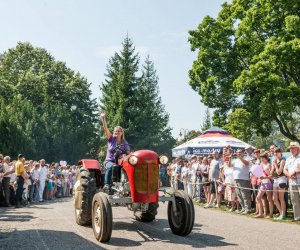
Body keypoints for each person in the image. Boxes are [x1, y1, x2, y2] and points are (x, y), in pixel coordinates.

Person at [100, 112, 130, 191]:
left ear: (121, 133)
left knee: (127, 169)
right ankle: (106, 184)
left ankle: (126, 187)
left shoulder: (124, 142)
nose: (116, 132)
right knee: (112, 167)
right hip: (109, 161)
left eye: (118, 131)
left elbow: (128, 153)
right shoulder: (111, 139)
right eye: (115, 131)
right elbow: (105, 129)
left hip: (120, 162)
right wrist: (103, 118)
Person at [230, 149, 252, 214]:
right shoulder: (235, 160)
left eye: (240, 152)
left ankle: (248, 208)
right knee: (239, 195)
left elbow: (246, 163)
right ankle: (243, 207)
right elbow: (229, 165)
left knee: (245, 195)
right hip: (236, 179)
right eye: (237, 152)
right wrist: (230, 158)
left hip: (244, 180)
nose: (238, 153)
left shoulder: (247, 158)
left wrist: (240, 158)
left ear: (243, 153)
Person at [284, 141, 300, 221]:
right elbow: (284, 170)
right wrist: (289, 175)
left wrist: (295, 172)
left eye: (293, 148)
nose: (291, 150)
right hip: (292, 182)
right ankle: (297, 217)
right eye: (290, 148)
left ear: (298, 149)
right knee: (294, 200)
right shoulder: (288, 159)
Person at [255, 152, 274, 218]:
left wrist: (264, 177)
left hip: (268, 183)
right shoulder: (261, 165)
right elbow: (259, 173)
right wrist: (259, 178)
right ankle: (261, 213)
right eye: (261, 158)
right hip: (263, 183)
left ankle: (271, 214)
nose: (262, 159)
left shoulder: (269, 165)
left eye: (263, 158)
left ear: (266, 158)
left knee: (269, 199)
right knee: (258, 197)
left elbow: (271, 176)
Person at [271, 147, 287, 220]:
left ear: (281, 152)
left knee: (281, 198)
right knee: (274, 198)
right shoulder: (274, 160)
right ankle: (281, 213)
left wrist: (274, 165)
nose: (276, 153)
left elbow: (279, 172)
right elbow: (271, 172)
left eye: (277, 152)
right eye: (275, 152)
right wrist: (273, 165)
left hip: (282, 179)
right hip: (275, 179)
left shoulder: (283, 159)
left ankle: (283, 215)